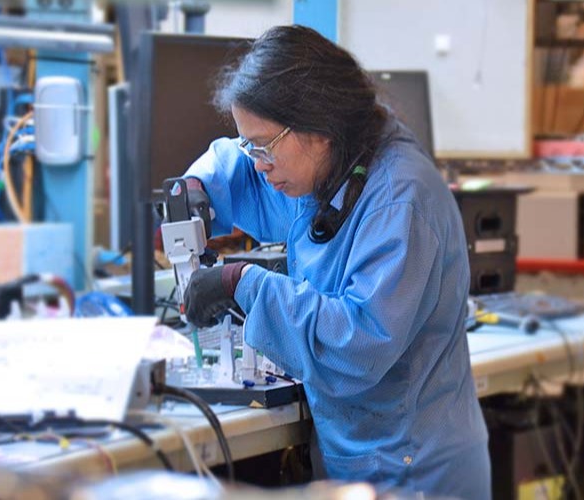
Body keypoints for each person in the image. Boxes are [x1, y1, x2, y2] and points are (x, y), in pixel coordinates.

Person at [180, 25, 490, 498]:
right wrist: (200, 186)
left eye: (263, 145)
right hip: (360, 460)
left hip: (413, 473)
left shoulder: (398, 202)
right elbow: (247, 173)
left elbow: (357, 343)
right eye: (249, 145)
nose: (258, 163)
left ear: (317, 126)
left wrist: (242, 283)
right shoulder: (333, 162)